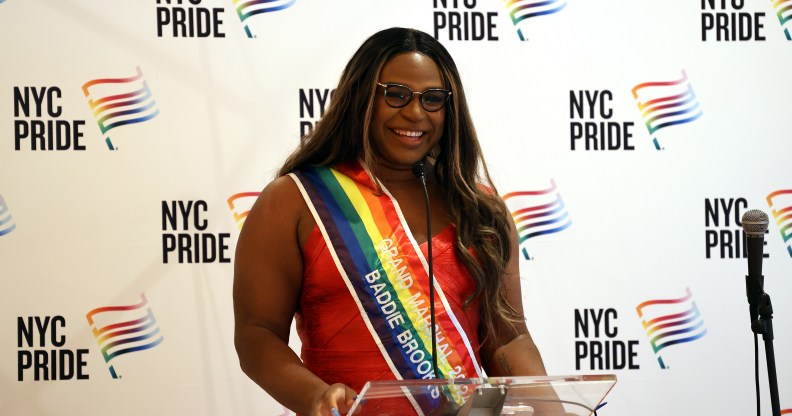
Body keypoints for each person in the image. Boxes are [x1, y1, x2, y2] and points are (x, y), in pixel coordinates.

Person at [233, 27, 550, 416]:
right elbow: (257, 334)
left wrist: (554, 410)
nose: (415, 113)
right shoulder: (296, 200)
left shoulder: (481, 209)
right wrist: (314, 395)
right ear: (361, 97)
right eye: (396, 94)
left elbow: (509, 340)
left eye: (433, 99)